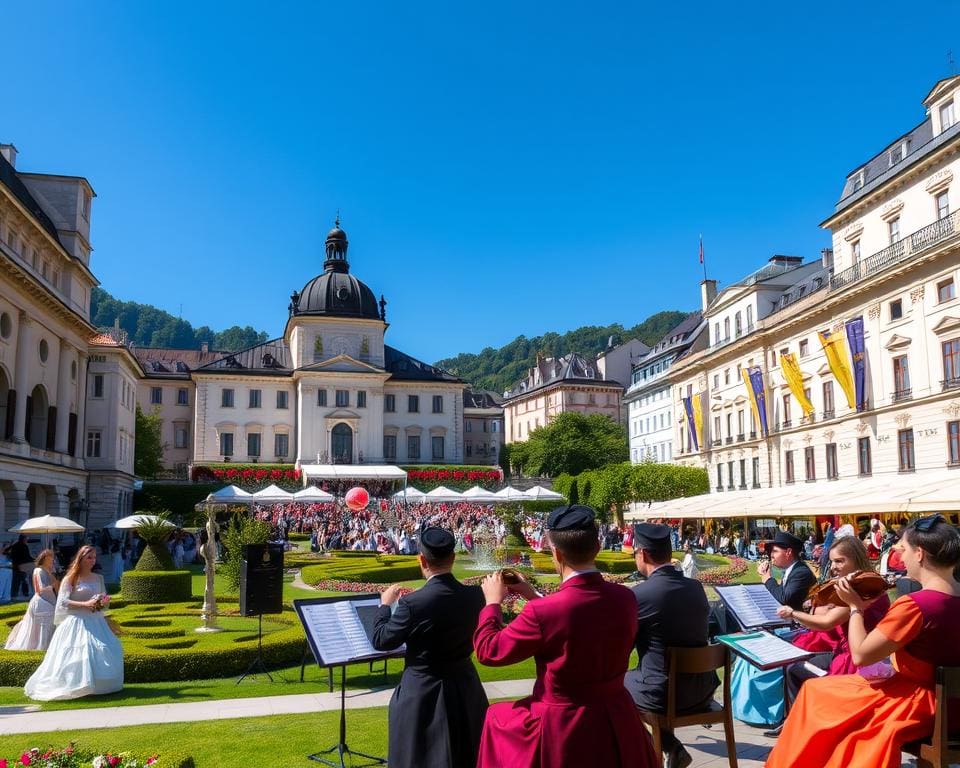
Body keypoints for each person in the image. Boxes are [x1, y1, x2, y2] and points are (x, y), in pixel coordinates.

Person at [766, 514, 960, 768]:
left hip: (922, 703)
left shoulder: (916, 605)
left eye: (904, 550)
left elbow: (860, 655)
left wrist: (856, 608)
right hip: (952, 704)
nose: (900, 558)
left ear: (920, 554)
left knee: (816, 695)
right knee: (821, 691)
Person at [473, 504, 658, 768]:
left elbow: (489, 651)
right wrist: (533, 595)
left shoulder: (544, 612)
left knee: (496, 717)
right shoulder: (625, 598)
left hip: (564, 724)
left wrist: (492, 604)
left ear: (556, 553)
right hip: (617, 715)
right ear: (596, 547)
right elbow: (580, 615)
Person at [371, 527, 488, 768]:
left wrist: (384, 606)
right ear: (453, 558)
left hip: (422, 690)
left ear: (422, 559)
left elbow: (382, 640)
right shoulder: (476, 596)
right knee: (466, 754)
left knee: (418, 758)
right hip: (465, 686)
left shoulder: (413, 603)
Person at [763, 535, 890, 737]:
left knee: (796, 667)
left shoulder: (861, 589)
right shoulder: (860, 583)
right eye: (832, 561)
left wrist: (793, 613)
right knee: (795, 664)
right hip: (851, 650)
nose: (833, 567)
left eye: (840, 561)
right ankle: (798, 720)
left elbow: (826, 622)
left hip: (855, 658)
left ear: (856, 559)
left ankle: (801, 723)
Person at [625, 523, 718, 768]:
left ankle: (668, 747)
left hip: (665, 695)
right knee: (649, 678)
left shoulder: (642, 594)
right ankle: (671, 748)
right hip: (702, 689)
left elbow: (622, 647)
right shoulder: (696, 588)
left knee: (613, 690)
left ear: (642, 553)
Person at [732, 530, 816, 726]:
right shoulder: (791, 572)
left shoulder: (801, 572)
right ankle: (750, 709)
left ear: (788, 552)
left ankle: (768, 712)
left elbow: (783, 598)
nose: (771, 555)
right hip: (788, 626)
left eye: (775, 550)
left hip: (798, 629)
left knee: (763, 651)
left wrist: (767, 579)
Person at [24, 545, 123, 701]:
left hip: (96, 620)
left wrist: (102, 601)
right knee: (80, 652)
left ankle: (100, 685)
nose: (92, 560)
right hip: (77, 621)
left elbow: (104, 598)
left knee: (108, 648)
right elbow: (63, 601)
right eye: (89, 557)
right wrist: (85, 604)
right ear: (81, 558)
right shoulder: (71, 578)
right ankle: (76, 683)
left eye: (94, 557)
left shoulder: (99, 578)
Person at [4, 549, 59, 651]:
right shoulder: (39, 571)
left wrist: (53, 576)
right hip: (42, 602)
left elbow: (57, 588)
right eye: (50, 559)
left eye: (53, 558)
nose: (52, 561)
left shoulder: (48, 571)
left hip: (49, 601)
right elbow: (40, 590)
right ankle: (42, 647)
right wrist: (53, 585)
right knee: (44, 626)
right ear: (44, 559)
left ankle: (49, 647)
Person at [4, 535, 33, 600]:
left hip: (15, 566)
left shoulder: (15, 545)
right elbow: (27, 557)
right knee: (24, 581)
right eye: (26, 538)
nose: (27, 540)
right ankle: (26, 594)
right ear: (24, 539)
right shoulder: (24, 546)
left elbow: (5, 551)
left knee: (15, 582)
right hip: (22, 566)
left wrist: (11, 545)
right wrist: (34, 559)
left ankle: (14, 596)